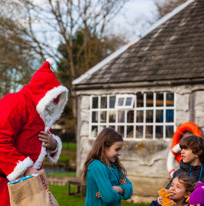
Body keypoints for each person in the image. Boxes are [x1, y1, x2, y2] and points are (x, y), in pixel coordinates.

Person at [0, 59, 68, 206]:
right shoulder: (15, 102)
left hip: (28, 184)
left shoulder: (41, 113)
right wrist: (24, 170)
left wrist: (53, 144)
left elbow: (40, 142)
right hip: (5, 185)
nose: (53, 104)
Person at [82, 127, 133, 206]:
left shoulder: (114, 166)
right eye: (117, 149)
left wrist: (117, 188)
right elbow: (109, 198)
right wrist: (122, 191)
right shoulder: (97, 166)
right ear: (104, 147)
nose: (119, 153)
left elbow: (130, 188)